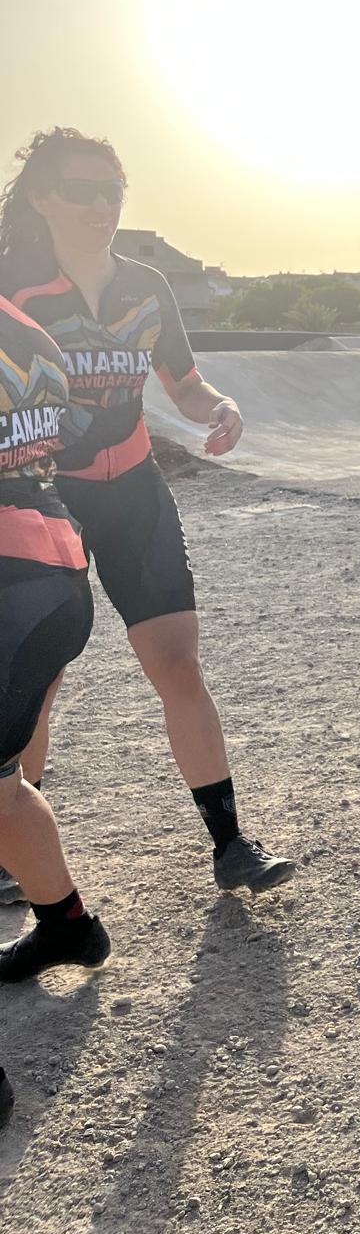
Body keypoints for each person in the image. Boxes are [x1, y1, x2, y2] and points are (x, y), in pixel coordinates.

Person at [0, 129, 292, 896]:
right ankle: (11, 853)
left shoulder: (147, 286)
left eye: (113, 190)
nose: (103, 205)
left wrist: (220, 407)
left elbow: (184, 384)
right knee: (41, 676)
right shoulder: (12, 285)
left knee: (177, 662)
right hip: (47, 502)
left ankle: (231, 845)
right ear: (41, 198)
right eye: (83, 191)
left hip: (134, 491)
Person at [0, 290, 110, 990]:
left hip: (14, 583)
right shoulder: (27, 328)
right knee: (3, 787)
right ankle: (66, 927)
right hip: (50, 576)